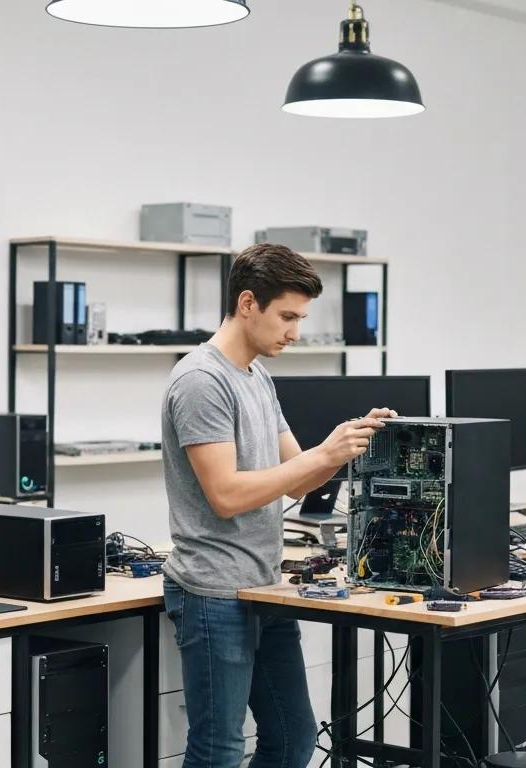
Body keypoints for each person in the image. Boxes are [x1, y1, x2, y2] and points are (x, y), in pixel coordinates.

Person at [161, 242, 397, 768]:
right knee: (218, 749)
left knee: (293, 737)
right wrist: (323, 453)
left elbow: (297, 480)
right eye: (287, 316)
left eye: (301, 318)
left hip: (262, 585)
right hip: (213, 590)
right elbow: (226, 495)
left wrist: (348, 444)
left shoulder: (257, 377)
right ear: (248, 303)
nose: (294, 331)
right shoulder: (202, 381)